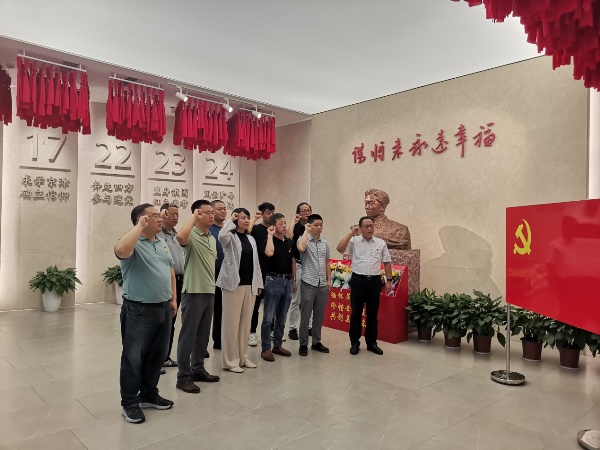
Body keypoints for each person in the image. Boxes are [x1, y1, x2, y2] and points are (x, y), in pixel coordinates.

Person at [115, 203, 177, 424]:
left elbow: (170, 270)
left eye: (159, 215)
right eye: (154, 216)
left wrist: (173, 299)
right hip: (138, 310)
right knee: (133, 359)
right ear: (141, 220)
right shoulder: (132, 242)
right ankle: (129, 403)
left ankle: (149, 395)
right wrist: (139, 227)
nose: (160, 218)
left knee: (157, 357)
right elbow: (120, 251)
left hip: (163, 309)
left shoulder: (161, 242)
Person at [175, 200, 220, 394]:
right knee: (188, 336)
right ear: (197, 214)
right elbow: (180, 237)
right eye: (207, 212)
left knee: (202, 336)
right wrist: (193, 216)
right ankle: (183, 377)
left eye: (212, 212)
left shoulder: (211, 237)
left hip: (209, 291)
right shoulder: (191, 234)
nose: (211, 215)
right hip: (193, 292)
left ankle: (198, 369)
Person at [336, 216, 392, 356]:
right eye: (366, 226)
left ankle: (372, 343)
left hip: (374, 282)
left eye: (371, 226)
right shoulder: (354, 241)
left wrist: (389, 280)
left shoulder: (380, 243)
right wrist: (351, 233)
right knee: (356, 313)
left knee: (372, 314)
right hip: (358, 281)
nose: (369, 228)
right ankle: (355, 342)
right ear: (360, 228)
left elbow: (387, 262)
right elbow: (339, 249)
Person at [216, 208, 264, 372]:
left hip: (250, 285)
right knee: (231, 324)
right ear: (236, 219)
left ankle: (243, 357)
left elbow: (256, 263)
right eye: (242, 217)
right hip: (232, 285)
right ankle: (230, 361)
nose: (246, 220)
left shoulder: (251, 239)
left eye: (247, 218)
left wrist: (259, 283)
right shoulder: (230, 237)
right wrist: (230, 220)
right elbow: (221, 236)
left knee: (245, 324)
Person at [260, 213, 296, 361]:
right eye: (281, 223)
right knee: (269, 317)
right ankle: (265, 348)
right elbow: (269, 253)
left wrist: (294, 281)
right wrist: (270, 235)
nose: (284, 225)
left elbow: (293, 262)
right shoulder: (268, 241)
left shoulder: (289, 242)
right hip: (273, 281)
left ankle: (277, 344)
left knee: (282, 316)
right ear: (273, 226)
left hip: (288, 281)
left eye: (285, 223)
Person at [296, 213, 331, 356]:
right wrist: (306, 231)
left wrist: (329, 280)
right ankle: (303, 344)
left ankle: (316, 342)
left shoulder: (324, 243)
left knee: (319, 316)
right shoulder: (303, 239)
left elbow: (327, 262)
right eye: (316, 225)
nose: (319, 227)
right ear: (309, 226)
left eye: (321, 225)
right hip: (308, 283)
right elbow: (301, 249)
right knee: (305, 316)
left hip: (322, 284)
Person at [158, 203, 184, 369]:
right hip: (165, 281)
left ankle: (165, 356)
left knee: (171, 321)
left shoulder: (176, 234)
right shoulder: (157, 234)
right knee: (161, 322)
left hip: (179, 281)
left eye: (177, 214)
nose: (175, 217)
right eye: (172, 214)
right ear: (163, 214)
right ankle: (156, 360)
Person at [248, 202, 275, 347]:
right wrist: (254, 218)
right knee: (256, 304)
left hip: (273, 271)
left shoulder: (275, 229)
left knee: (272, 304)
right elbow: (246, 232)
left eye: (272, 212)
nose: (271, 215)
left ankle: (271, 331)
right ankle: (252, 332)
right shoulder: (257, 229)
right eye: (268, 213)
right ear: (262, 214)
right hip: (258, 271)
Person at [286, 202, 312, 341]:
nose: (306, 212)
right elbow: (288, 237)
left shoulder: (313, 226)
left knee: (310, 298)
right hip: (298, 264)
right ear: (298, 213)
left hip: (311, 265)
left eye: (308, 210)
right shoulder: (295, 227)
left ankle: (309, 326)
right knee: (296, 299)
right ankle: (292, 328)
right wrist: (293, 220)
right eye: (303, 210)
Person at [210, 199, 228, 350]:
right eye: (219, 209)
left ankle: (222, 339)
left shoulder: (229, 229)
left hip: (228, 275)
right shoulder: (208, 229)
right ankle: (214, 340)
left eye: (225, 208)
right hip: (213, 274)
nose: (223, 211)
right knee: (213, 308)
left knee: (224, 309)